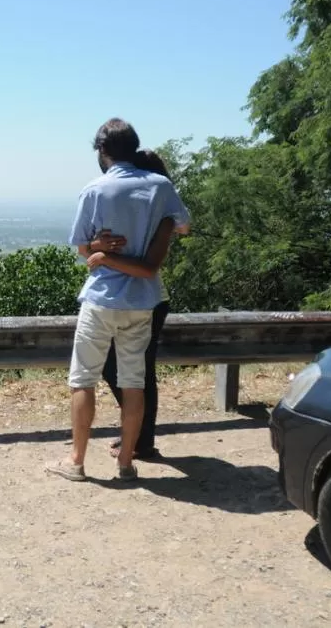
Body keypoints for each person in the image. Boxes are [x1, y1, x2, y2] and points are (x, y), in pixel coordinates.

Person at [47, 121, 190, 482]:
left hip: (100, 299)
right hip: (141, 302)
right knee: (134, 382)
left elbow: (82, 249)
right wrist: (156, 224)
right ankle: (126, 463)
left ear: (102, 150)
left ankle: (76, 462)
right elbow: (183, 226)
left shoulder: (94, 190)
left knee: (83, 381)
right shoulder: (161, 186)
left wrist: (99, 247)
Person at [88, 149, 190, 461]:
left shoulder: (163, 217)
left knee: (137, 373)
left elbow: (148, 268)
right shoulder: (139, 214)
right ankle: (138, 435)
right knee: (132, 372)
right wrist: (96, 246)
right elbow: (91, 246)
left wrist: (105, 257)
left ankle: (141, 439)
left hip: (149, 299)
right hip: (134, 300)